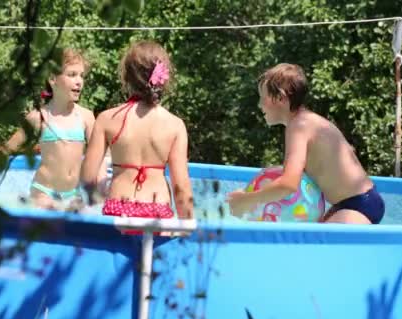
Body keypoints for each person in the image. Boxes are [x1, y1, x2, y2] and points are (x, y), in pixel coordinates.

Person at [227, 63, 384, 224]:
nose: (259, 105)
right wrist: (248, 193)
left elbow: (288, 185)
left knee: (313, 247)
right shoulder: (305, 122)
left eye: (262, 97)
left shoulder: (299, 126)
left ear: (280, 98)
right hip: (350, 203)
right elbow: (299, 179)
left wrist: (248, 200)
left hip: (358, 206)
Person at [81, 40, 194, 222]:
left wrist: (96, 199)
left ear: (127, 77)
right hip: (158, 209)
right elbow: (181, 186)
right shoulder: (175, 125)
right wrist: (187, 226)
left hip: (118, 208)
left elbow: (87, 177)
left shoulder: (107, 119)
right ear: (163, 77)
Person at [0, 48, 106, 209]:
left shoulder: (86, 116)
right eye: (72, 75)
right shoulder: (38, 117)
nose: (79, 81)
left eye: (81, 75)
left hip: (75, 193)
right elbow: (6, 149)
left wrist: (101, 189)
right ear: (52, 79)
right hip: (44, 191)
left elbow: (99, 157)